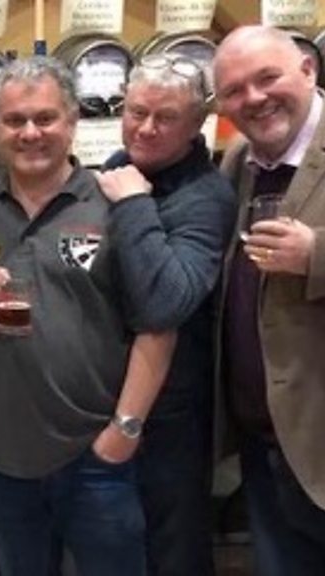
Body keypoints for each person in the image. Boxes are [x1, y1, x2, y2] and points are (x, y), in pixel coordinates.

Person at [0, 56, 175, 575]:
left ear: (72, 120)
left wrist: (124, 430)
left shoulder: (112, 203)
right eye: (14, 120)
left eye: (45, 118)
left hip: (96, 457)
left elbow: (157, 324)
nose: (30, 133)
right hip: (3, 459)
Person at [94, 54, 236, 576]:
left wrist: (133, 205)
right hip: (110, 394)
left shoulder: (206, 197)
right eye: (137, 112)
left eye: (166, 117)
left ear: (197, 124)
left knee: (172, 549)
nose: (146, 128)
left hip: (171, 414)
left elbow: (164, 303)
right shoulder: (121, 165)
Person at [213, 25, 325, 575]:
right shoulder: (241, 160)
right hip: (267, 440)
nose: (253, 98)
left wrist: (318, 255)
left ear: (308, 69)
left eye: (267, 78)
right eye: (234, 90)